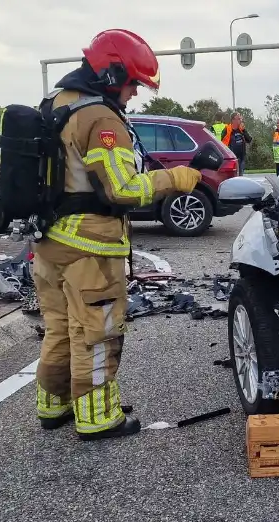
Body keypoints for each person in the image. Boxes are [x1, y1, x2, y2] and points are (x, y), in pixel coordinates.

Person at [32, 29, 201, 440]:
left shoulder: (57, 103)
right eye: (133, 84)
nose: (135, 94)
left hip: (49, 243)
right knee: (96, 331)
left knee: (59, 327)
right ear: (112, 74)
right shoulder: (101, 118)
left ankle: (54, 406)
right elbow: (121, 188)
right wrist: (176, 178)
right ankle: (97, 417)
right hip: (89, 246)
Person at [220, 112, 252, 176]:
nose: (241, 120)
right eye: (239, 119)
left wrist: (244, 130)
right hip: (231, 159)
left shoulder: (241, 129)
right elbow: (222, 143)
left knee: (240, 177)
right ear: (233, 120)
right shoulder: (227, 129)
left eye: (240, 119)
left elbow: (249, 140)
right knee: (232, 177)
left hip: (241, 157)